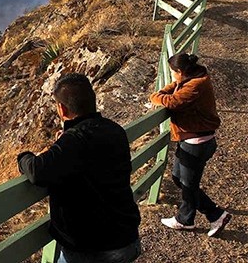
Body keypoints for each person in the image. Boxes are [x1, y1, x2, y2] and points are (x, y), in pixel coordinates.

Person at [17, 73, 141, 263]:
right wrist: (64, 141)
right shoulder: (115, 130)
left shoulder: (74, 141)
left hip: (93, 249)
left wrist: (24, 156)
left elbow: (37, 172)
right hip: (127, 238)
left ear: (61, 109)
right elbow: (89, 160)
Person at [150, 52, 231, 237]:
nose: (172, 77)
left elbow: (173, 101)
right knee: (180, 179)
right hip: (193, 140)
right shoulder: (193, 77)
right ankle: (191, 218)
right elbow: (175, 86)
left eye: (172, 73)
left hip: (197, 143)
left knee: (189, 184)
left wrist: (155, 96)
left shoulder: (195, 86)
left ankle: (207, 216)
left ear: (180, 71)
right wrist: (166, 89)